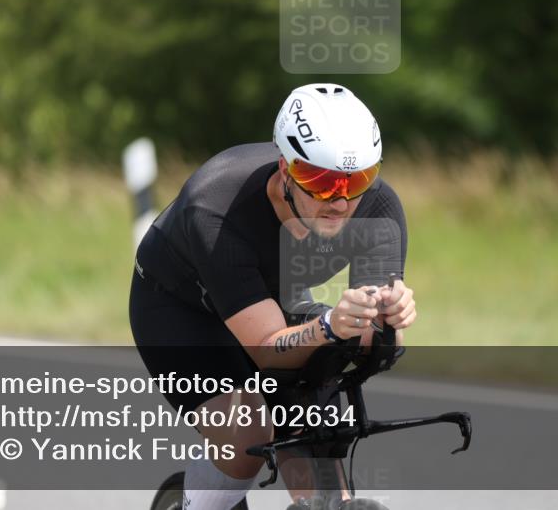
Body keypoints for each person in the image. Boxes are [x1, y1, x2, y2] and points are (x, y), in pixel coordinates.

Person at [129, 83, 416, 510]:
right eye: (320, 181)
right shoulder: (214, 208)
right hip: (177, 307)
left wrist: (388, 325)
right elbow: (266, 349)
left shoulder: (377, 209)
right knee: (248, 435)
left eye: (355, 180)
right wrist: (327, 327)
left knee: (319, 431)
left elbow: (372, 346)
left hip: (271, 298)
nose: (339, 201)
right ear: (286, 170)